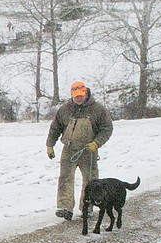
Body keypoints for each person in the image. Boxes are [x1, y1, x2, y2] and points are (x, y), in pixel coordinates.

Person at [45, 80, 113, 221]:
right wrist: (50, 145)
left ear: (86, 93)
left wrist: (96, 143)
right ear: (72, 95)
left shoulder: (98, 109)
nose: (79, 99)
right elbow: (55, 128)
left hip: (88, 150)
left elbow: (107, 128)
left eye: (81, 96)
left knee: (90, 181)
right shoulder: (65, 109)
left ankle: (87, 207)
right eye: (76, 96)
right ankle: (65, 208)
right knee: (65, 178)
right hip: (69, 149)